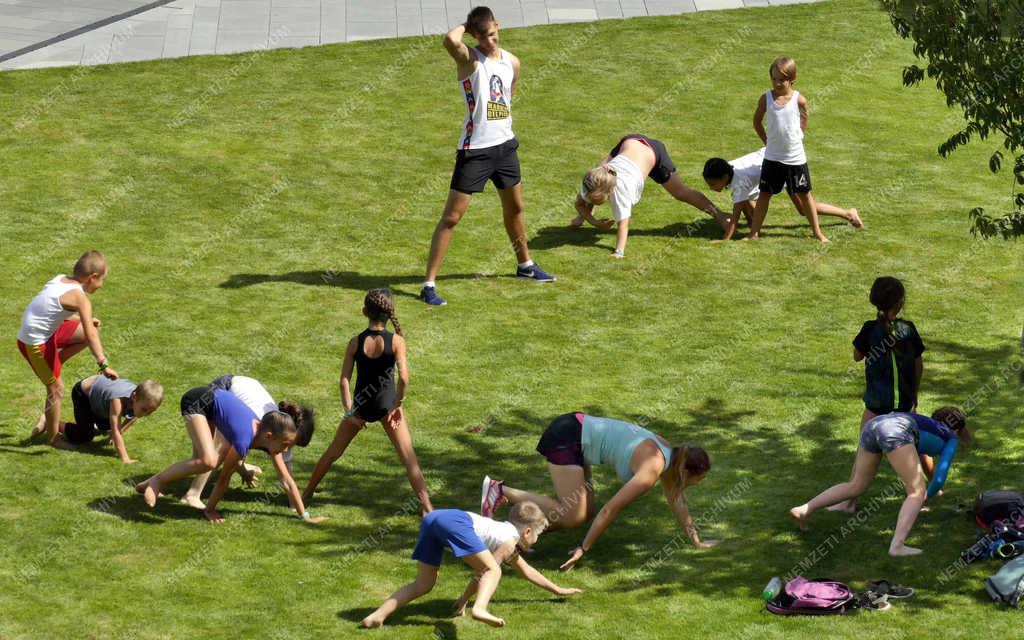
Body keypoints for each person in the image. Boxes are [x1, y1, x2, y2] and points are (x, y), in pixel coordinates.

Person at [419, 6, 554, 306]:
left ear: (498, 26)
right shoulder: (469, 59)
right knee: (452, 217)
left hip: (505, 147)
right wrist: (466, 27)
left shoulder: (512, 62)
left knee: (515, 208)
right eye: (482, 37)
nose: (489, 42)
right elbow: (449, 40)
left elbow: (507, 97)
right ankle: (428, 284)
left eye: (492, 34)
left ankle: (525, 265)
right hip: (475, 151)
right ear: (474, 36)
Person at [482, 413, 719, 571]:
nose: (699, 483)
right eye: (700, 478)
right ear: (685, 473)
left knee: (584, 513)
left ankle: (516, 536)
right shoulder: (653, 467)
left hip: (577, 432)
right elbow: (610, 510)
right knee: (573, 515)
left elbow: (677, 500)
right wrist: (583, 548)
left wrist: (695, 541)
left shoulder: (668, 453)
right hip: (568, 437)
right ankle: (500, 490)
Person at [303, 289, 433, 515]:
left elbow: (344, 380)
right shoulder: (397, 342)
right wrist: (398, 404)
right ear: (389, 313)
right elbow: (404, 378)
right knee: (409, 459)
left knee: (332, 453)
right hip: (387, 408)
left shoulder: (355, 342)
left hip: (360, 408)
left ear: (365, 312)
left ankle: (306, 494)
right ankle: (427, 509)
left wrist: (349, 412)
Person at [361, 501, 579, 628]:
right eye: (539, 534)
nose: (538, 539)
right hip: (453, 521)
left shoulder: (503, 533)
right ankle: (481, 609)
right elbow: (485, 572)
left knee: (423, 584)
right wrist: (468, 600)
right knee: (493, 569)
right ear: (528, 532)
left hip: (433, 519)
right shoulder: (509, 540)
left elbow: (527, 571)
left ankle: (377, 616)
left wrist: (558, 590)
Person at [790, 408, 969, 556]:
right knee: (916, 492)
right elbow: (939, 479)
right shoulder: (951, 438)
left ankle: (804, 509)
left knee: (857, 485)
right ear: (957, 430)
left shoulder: (926, 424)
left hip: (874, 424)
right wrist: (925, 497)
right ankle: (897, 546)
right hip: (895, 430)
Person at [136, 385, 318, 524]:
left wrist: (305, 516)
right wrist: (210, 510)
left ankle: (145, 485)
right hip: (198, 401)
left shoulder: (268, 438)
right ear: (269, 436)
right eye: (285, 445)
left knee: (200, 461)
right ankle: (157, 481)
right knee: (208, 461)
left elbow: (287, 481)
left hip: (212, 405)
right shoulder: (244, 439)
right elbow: (223, 479)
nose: (286, 450)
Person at [18, 250, 119, 449]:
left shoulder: (60, 279)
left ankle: (56, 362)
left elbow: (50, 310)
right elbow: (91, 335)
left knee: (87, 331)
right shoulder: (81, 299)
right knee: (56, 389)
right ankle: (53, 439)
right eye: (102, 280)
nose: (101, 285)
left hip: (47, 333)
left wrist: (85, 319)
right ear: (93, 277)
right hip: (34, 343)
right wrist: (103, 364)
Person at [572, 134, 729, 257]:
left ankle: (720, 215)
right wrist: (593, 221)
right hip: (629, 143)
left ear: (611, 192)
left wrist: (619, 252)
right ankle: (583, 217)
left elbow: (623, 225)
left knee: (680, 192)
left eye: (598, 200)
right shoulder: (592, 178)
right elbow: (579, 203)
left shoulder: (622, 192)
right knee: (599, 177)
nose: (591, 199)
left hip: (654, 152)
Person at [744, 57, 831, 242]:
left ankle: (817, 233)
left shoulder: (799, 100)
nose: (777, 83)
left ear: (792, 79)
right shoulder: (766, 99)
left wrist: (798, 135)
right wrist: (766, 140)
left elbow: (804, 119)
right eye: (774, 79)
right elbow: (757, 122)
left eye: (781, 80)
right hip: (772, 158)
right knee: (764, 194)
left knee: (805, 195)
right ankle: (754, 233)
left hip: (795, 158)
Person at [702, 148, 862, 239]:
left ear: (724, 177)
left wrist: (724, 240)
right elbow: (742, 199)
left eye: (713, 184)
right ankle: (753, 226)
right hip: (771, 157)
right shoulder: (728, 168)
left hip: (781, 165)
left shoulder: (739, 183)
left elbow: (735, 217)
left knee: (803, 208)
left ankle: (848, 213)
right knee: (745, 201)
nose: (711, 187)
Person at [63, 375, 163, 463]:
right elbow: (116, 430)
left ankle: (93, 423)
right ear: (134, 397)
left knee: (106, 428)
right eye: (144, 410)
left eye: (151, 411)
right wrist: (125, 458)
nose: (146, 414)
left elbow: (134, 416)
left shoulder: (139, 398)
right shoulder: (118, 399)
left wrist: (114, 434)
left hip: (101, 400)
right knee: (85, 435)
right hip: (83, 394)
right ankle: (56, 424)